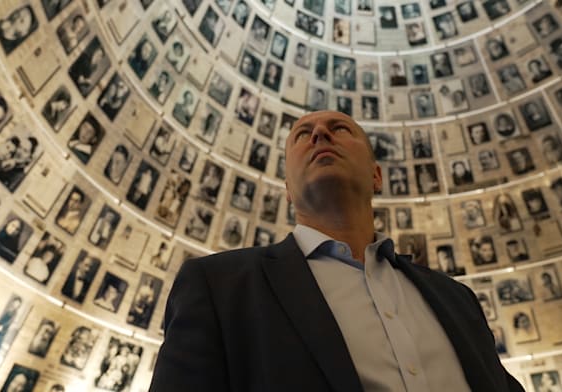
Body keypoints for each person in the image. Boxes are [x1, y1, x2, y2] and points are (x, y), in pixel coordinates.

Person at [149, 111, 523, 391]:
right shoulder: (218, 287)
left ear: (377, 176)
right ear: (288, 192)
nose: (320, 134)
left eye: (340, 129)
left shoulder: (458, 299)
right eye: (302, 135)